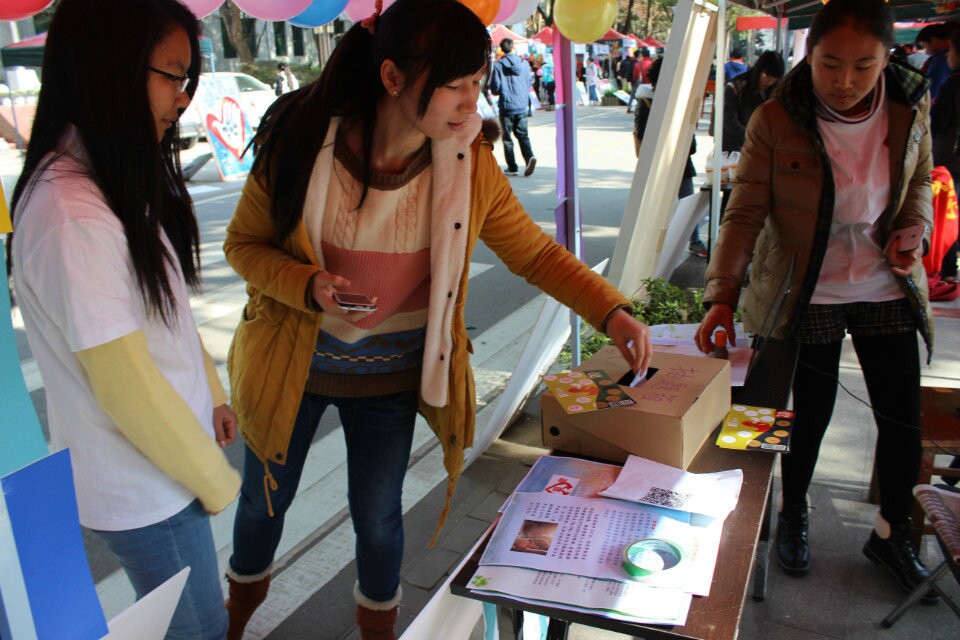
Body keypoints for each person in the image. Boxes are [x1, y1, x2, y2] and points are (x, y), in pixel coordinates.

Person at [219, 1, 652, 639]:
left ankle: (379, 631)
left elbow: (534, 254)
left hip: (390, 376)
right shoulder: (304, 141)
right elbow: (242, 245)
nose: (471, 101)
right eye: (454, 84)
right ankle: (232, 622)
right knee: (262, 507)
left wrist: (611, 310)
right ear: (393, 77)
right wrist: (305, 284)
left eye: (477, 81)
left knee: (378, 519)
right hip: (290, 365)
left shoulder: (468, 163)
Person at [8, 1, 241, 639]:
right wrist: (214, 479)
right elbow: (126, 385)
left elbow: (166, 315)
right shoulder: (71, 212)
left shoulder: (105, 177)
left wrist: (211, 394)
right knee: (199, 629)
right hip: (146, 484)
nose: (183, 99)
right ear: (109, 68)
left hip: (164, 466)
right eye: (173, 76)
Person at [695, 0, 936, 602]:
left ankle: (891, 534)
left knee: (902, 418)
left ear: (887, 59)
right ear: (810, 53)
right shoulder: (777, 116)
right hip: (809, 288)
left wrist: (915, 228)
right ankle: (794, 511)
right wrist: (721, 297)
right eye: (830, 64)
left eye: (864, 66)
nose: (846, 81)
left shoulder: (910, 103)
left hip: (885, 282)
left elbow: (920, 178)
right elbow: (745, 212)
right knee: (811, 413)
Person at [633, 57, 699, 250]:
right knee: (663, 206)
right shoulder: (647, 101)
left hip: (679, 162)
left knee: (687, 203)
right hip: (660, 163)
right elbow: (643, 134)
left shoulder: (680, 99)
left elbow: (690, 134)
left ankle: (693, 240)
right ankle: (654, 245)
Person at [931, 25, 960, 287]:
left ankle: (948, 269)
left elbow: (939, 124)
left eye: (950, 50)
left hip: (952, 161)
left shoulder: (952, 84)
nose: (947, 56)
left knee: (947, 215)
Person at [720, 50, 784, 154]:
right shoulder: (735, 87)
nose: (769, 82)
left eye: (774, 79)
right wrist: (756, 139)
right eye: (766, 76)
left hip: (760, 150)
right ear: (759, 70)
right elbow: (730, 123)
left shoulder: (772, 93)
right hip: (734, 149)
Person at [489, 37, 537, 177]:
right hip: (522, 105)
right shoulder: (524, 64)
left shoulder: (499, 65)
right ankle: (529, 157)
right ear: (513, 47)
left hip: (507, 106)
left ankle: (512, 166)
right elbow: (529, 82)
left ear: (501, 49)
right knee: (523, 135)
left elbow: (495, 88)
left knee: (507, 138)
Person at [919, 22, 954, 100]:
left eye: (924, 44)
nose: (926, 49)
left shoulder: (939, 61)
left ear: (933, 40)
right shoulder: (938, 59)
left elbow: (932, 94)